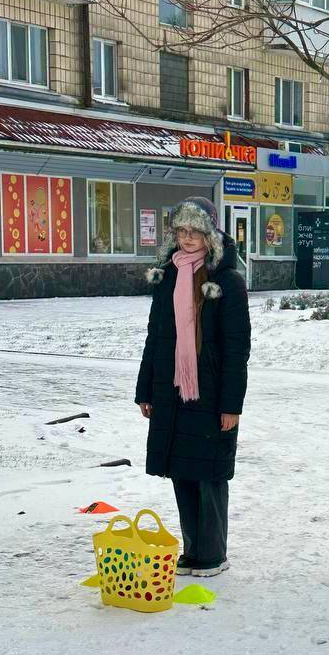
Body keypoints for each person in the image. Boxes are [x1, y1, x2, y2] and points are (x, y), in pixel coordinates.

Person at [135, 197, 251, 578]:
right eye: (181, 231)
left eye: (195, 232)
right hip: (172, 389)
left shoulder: (227, 282)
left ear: (210, 235)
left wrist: (232, 404)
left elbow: (236, 348)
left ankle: (213, 553)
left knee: (208, 474)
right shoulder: (168, 276)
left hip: (210, 391)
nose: (187, 238)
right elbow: (155, 336)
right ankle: (193, 550)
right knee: (181, 469)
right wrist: (145, 389)